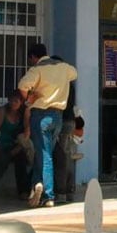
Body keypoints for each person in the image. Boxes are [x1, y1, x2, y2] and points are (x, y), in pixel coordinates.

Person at [18, 43, 78, 208]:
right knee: (44, 153)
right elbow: (74, 74)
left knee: (45, 155)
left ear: (33, 57)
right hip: (58, 117)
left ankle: (48, 195)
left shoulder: (37, 69)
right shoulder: (64, 67)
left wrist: (28, 98)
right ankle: (37, 184)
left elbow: (22, 85)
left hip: (40, 115)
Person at [0, 90, 32, 198]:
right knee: (3, 160)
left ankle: (23, 191)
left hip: (17, 145)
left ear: (21, 102)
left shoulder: (23, 113)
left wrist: (18, 147)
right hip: (2, 146)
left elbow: (26, 133)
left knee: (21, 160)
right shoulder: (3, 111)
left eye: (16, 101)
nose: (13, 104)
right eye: (11, 101)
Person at [51, 55, 80, 204]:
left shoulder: (61, 84)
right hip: (69, 121)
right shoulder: (69, 83)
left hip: (62, 121)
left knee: (62, 157)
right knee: (67, 156)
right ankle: (69, 191)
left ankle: (62, 191)